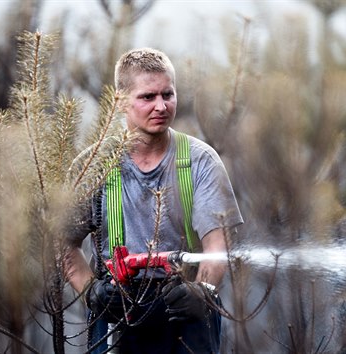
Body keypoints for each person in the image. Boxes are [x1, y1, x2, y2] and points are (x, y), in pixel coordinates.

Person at [65, 48, 243, 354]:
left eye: (168, 94)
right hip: (116, 314)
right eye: (148, 97)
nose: (161, 106)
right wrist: (91, 291)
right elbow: (62, 243)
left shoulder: (201, 161)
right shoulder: (94, 164)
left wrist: (202, 292)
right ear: (121, 101)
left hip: (187, 315)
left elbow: (218, 247)